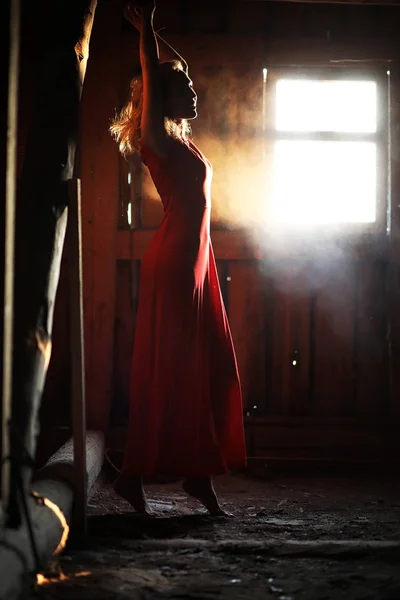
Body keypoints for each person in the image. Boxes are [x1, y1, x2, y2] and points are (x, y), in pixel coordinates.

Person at [109, 0, 246, 517]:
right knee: (170, 370)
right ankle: (136, 477)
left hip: (197, 263)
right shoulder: (157, 141)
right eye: (183, 89)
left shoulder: (184, 143)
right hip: (173, 266)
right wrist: (145, 38)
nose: (194, 92)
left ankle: (197, 476)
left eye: (190, 86)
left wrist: (165, 49)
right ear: (162, 100)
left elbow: (172, 69)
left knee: (203, 366)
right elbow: (152, 73)